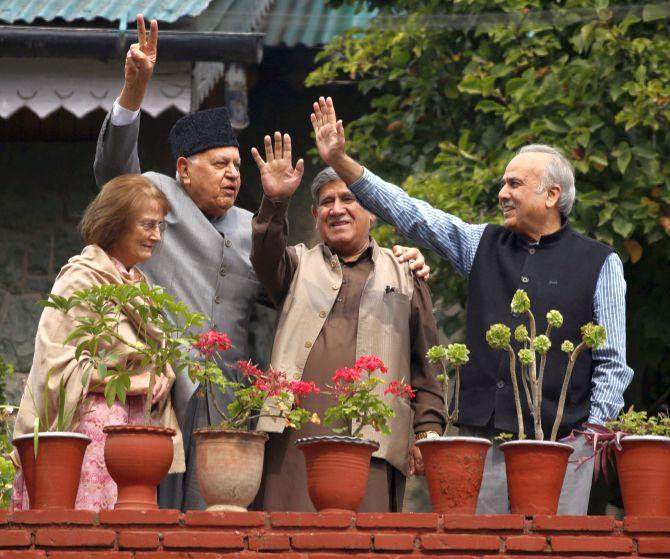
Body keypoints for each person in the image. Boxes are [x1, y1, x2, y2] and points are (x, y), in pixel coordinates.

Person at [92, 15, 430, 510]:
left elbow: (295, 286)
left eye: (237, 165)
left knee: (215, 520)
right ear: (184, 170)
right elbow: (112, 172)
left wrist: (403, 259)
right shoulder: (155, 199)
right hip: (159, 389)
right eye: (219, 165)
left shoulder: (253, 227)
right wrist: (133, 93)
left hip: (228, 402)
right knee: (152, 511)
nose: (233, 175)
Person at [310, 96, 634, 515]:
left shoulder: (601, 262)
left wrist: (588, 441)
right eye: (503, 183)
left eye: (514, 184)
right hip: (480, 447)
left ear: (552, 194)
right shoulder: (483, 243)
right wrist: (342, 162)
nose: (502, 193)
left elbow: (613, 364)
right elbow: (412, 214)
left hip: (563, 451)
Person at [249, 133, 446, 511]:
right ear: (315, 216)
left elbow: (429, 365)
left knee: (363, 543)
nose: (336, 208)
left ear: (373, 210)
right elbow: (264, 253)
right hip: (292, 441)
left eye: (348, 198)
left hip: (373, 443)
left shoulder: (405, 273)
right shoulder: (293, 265)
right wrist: (275, 201)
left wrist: (429, 429)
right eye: (326, 202)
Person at [12, 174, 184, 511]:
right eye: (148, 225)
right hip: (91, 437)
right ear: (116, 225)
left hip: (134, 437)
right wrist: (129, 383)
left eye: (160, 226)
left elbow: (153, 357)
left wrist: (159, 375)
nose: (157, 236)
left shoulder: (139, 285)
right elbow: (55, 364)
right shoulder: (81, 278)